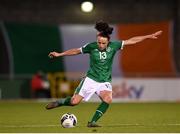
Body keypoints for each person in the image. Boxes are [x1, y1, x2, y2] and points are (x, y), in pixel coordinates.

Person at [46, 20, 162, 127]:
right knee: (74, 102)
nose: (100, 45)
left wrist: (148, 36)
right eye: (99, 42)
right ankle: (60, 102)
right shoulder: (91, 46)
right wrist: (60, 54)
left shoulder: (114, 45)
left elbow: (132, 40)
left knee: (108, 99)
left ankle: (92, 122)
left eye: (103, 43)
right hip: (91, 79)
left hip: (104, 81)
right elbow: (76, 51)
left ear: (108, 42)